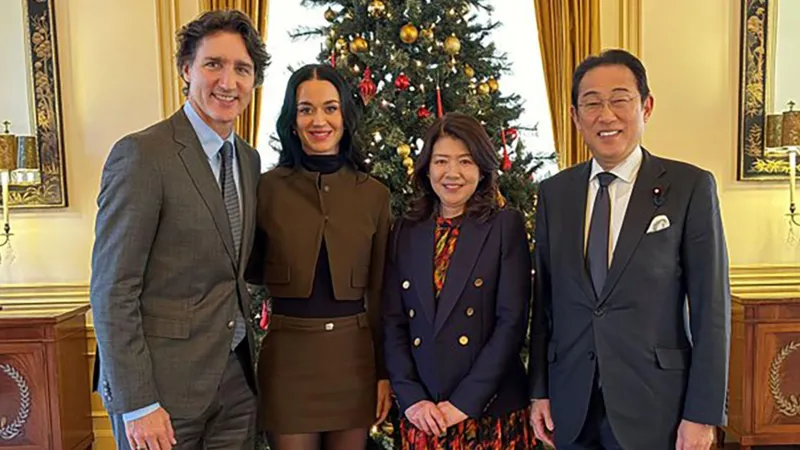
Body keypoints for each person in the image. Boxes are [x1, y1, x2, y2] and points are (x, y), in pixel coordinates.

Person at [528, 49, 730, 450]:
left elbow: (711, 310)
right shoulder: (554, 193)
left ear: (646, 107)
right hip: (572, 404)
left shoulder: (689, 187)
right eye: (592, 103)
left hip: (657, 407)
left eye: (619, 99)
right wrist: (540, 391)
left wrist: (702, 414)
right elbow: (545, 303)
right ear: (575, 116)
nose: (606, 116)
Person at [90, 10, 269, 450]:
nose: (228, 81)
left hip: (235, 386)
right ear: (186, 69)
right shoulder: (142, 155)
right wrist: (138, 403)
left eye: (242, 69)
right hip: (160, 394)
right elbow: (113, 289)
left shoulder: (248, 160)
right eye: (214, 64)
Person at [245, 63, 392, 450]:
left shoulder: (374, 195)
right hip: (288, 362)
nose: (318, 120)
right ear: (292, 121)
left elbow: (380, 293)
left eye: (330, 108)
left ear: (345, 116)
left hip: (354, 363)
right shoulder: (265, 189)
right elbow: (247, 270)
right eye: (306, 110)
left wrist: (383, 372)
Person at [382, 112, 535, 449]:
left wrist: (463, 403)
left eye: (465, 161)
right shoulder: (406, 230)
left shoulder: (504, 226)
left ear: (482, 168)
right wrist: (411, 398)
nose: (452, 173)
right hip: (424, 416)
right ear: (426, 169)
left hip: (489, 413)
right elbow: (393, 322)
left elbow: (511, 323)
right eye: (441, 161)